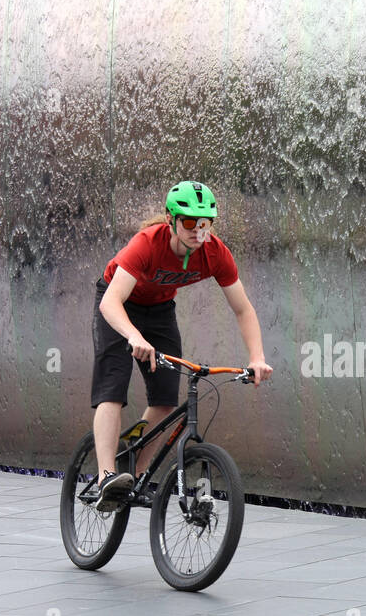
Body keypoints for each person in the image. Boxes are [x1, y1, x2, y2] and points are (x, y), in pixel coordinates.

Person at [91, 180, 272, 508]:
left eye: (205, 223)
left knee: (164, 401)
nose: (197, 230)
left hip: (159, 311)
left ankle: (136, 473)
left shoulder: (215, 253)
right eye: (189, 222)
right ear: (172, 220)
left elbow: (243, 308)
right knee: (112, 388)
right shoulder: (147, 243)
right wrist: (133, 336)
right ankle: (106, 477)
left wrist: (257, 357)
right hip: (118, 305)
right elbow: (111, 302)